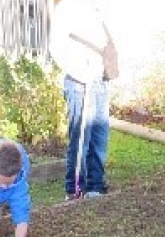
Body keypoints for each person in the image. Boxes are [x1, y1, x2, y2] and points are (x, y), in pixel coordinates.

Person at [49, 0, 117, 201]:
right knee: (81, 139)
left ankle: (96, 186)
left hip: (101, 80)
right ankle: (75, 190)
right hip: (81, 82)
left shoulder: (96, 7)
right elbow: (56, 47)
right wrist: (81, 72)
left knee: (99, 136)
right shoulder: (66, 8)